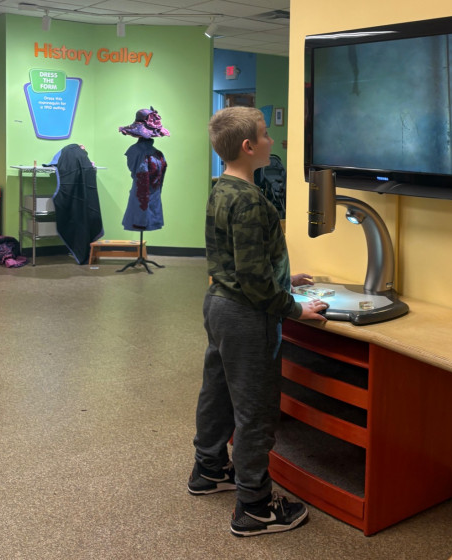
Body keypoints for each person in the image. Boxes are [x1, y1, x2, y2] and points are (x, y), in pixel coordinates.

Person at [188, 106, 328, 537]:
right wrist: (294, 308)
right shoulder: (250, 200)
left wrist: (285, 277)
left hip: (218, 304)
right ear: (249, 147)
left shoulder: (222, 189)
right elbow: (253, 280)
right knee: (256, 411)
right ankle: (254, 506)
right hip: (247, 316)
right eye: (266, 135)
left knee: (217, 392)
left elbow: (237, 258)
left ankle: (209, 469)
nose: (271, 141)